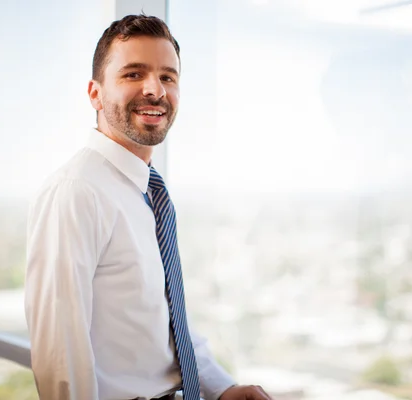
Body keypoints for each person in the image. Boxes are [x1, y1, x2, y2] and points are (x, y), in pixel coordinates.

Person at [24, 14, 272, 400]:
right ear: (95, 93)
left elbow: (165, 318)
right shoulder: (77, 192)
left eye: (167, 77)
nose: (155, 90)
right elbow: (61, 359)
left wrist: (222, 388)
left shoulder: (147, 189)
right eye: (133, 74)